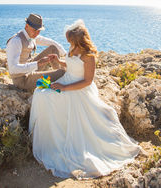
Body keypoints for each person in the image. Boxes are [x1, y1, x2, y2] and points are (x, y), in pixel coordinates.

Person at [29, 19, 141, 179]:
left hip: (78, 89)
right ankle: (51, 141)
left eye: (71, 40)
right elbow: (70, 66)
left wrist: (64, 88)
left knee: (47, 98)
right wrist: (57, 61)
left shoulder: (89, 56)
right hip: (66, 82)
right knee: (40, 93)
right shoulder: (73, 48)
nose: (69, 43)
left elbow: (87, 81)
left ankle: (58, 142)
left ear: (79, 40)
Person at [6, 13, 66, 92]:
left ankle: (58, 77)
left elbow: (51, 42)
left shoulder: (31, 35)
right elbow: (13, 69)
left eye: (39, 31)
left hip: (31, 69)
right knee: (62, 72)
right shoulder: (16, 41)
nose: (37, 33)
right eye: (35, 30)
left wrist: (66, 55)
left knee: (53, 48)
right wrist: (37, 64)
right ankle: (60, 76)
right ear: (26, 26)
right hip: (23, 80)